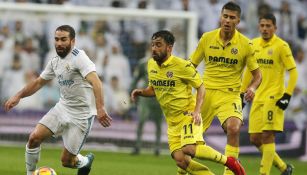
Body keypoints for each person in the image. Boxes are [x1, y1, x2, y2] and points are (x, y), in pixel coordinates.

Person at [131, 30, 246, 175]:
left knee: (189, 149)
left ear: (169, 47)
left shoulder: (182, 66)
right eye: (153, 45)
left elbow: (201, 87)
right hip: (172, 122)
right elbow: (154, 89)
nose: (154, 48)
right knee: (181, 160)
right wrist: (141, 92)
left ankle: (230, 162)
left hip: (187, 115)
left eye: (158, 45)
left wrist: (197, 111)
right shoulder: (151, 65)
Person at [4, 25, 112, 175]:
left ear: (72, 41)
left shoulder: (79, 57)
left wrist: (100, 108)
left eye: (63, 39)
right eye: (56, 39)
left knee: (67, 162)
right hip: (62, 108)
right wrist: (18, 96)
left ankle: (86, 161)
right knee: (34, 138)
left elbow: (96, 82)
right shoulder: (54, 61)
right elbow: (38, 82)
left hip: (81, 116)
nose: (59, 43)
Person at [189, 2, 262, 175]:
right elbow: (190, 66)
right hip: (204, 94)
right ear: (220, 17)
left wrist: (252, 88)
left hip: (229, 95)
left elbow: (258, 75)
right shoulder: (207, 38)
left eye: (232, 18)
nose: (227, 20)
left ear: (238, 21)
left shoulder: (246, 44)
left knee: (234, 128)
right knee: (188, 144)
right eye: (225, 16)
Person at [241, 13, 298, 175]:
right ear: (259, 27)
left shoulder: (282, 46)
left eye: (268, 26)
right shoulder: (253, 44)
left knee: (267, 136)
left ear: (275, 28)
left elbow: (293, 72)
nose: (265, 29)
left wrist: (287, 95)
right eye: (262, 26)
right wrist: (241, 92)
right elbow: (248, 71)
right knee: (254, 138)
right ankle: (283, 168)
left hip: (274, 97)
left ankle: (264, 173)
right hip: (257, 97)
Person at [130, 52, 164, 156]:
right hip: (146, 96)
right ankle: (137, 146)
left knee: (158, 123)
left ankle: (157, 148)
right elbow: (136, 79)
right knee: (141, 120)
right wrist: (132, 91)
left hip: (159, 97)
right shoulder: (143, 63)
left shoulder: (166, 63)